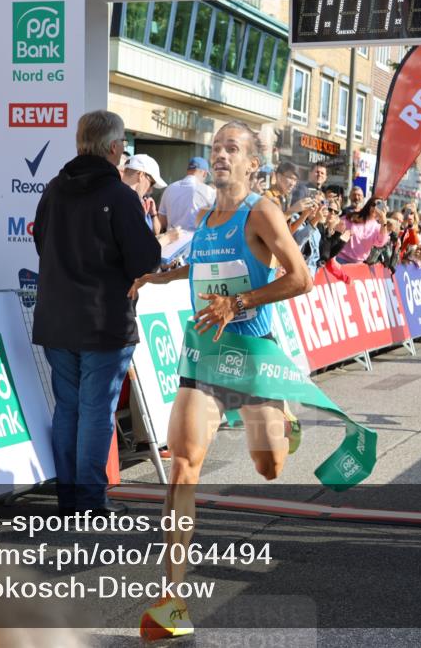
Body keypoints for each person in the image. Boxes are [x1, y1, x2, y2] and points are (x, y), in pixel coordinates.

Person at [128, 121, 312, 639]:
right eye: (216, 148)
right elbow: (200, 267)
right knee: (183, 465)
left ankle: (283, 413)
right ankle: (173, 601)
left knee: (269, 466)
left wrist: (239, 303)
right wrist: (155, 276)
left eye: (232, 149)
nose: (221, 155)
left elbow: (301, 277)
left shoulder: (263, 212)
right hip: (205, 354)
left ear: (253, 163)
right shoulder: (208, 217)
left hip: (253, 354)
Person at [32, 110, 161, 517]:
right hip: (104, 319)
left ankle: (70, 499)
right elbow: (145, 260)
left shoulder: (54, 188)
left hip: (57, 317)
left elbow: (42, 246)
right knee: (94, 412)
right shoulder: (121, 196)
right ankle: (89, 501)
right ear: (114, 147)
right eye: (123, 145)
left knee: (69, 409)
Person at [156, 156, 215, 232]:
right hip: (195, 240)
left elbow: (162, 221)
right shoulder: (208, 191)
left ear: (188, 171)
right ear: (204, 173)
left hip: (171, 240)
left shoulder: (169, 188)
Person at [120, 153, 167, 235]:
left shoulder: (137, 201)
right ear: (141, 175)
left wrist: (153, 214)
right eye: (151, 183)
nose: (150, 190)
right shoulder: (125, 202)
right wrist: (168, 238)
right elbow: (139, 245)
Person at [336, 197, 389, 264]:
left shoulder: (377, 227)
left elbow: (381, 242)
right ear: (369, 205)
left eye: (379, 206)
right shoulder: (352, 216)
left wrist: (384, 221)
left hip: (357, 263)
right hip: (340, 258)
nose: (375, 208)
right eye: (373, 205)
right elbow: (336, 226)